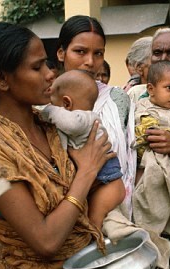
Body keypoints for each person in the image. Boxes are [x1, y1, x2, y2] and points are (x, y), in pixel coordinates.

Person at [0, 22, 112, 269]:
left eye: (47, 63)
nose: (50, 74)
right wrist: (86, 173)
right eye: (36, 67)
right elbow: (45, 241)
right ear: (1, 79)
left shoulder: (52, 124)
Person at [56, 15, 135, 219]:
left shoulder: (117, 99)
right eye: (80, 51)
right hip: (57, 210)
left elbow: (129, 155)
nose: (90, 62)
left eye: (98, 53)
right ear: (61, 53)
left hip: (112, 206)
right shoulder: (44, 100)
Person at [41, 69, 125, 229]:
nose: (51, 107)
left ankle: (100, 249)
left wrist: (49, 110)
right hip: (101, 181)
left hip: (109, 181)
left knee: (94, 224)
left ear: (66, 103)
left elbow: (70, 123)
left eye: (53, 103)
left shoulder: (85, 119)